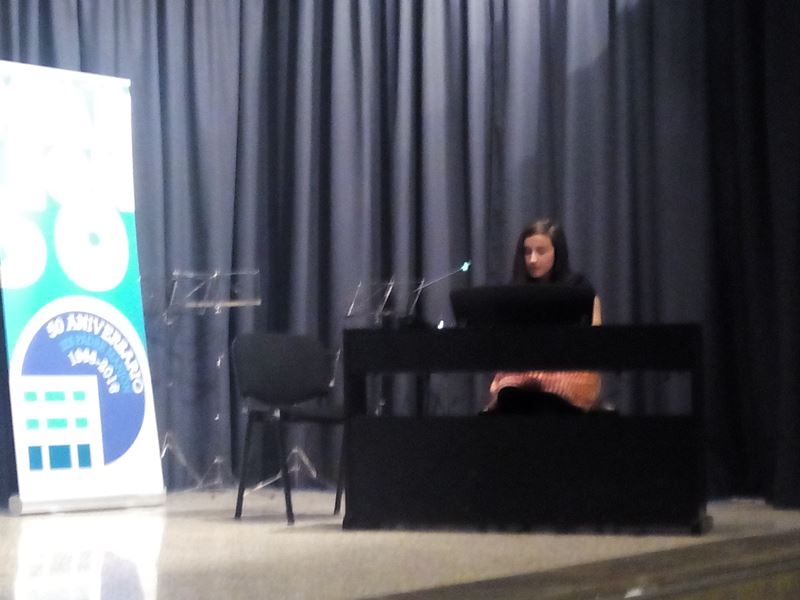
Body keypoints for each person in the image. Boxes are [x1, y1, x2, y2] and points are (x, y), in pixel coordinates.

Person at [484, 218, 602, 414]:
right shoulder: (516, 292)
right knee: (510, 388)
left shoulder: (580, 289)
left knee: (545, 393)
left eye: (541, 251)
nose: (532, 259)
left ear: (557, 253)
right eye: (527, 252)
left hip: (569, 369)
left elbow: (594, 341)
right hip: (525, 369)